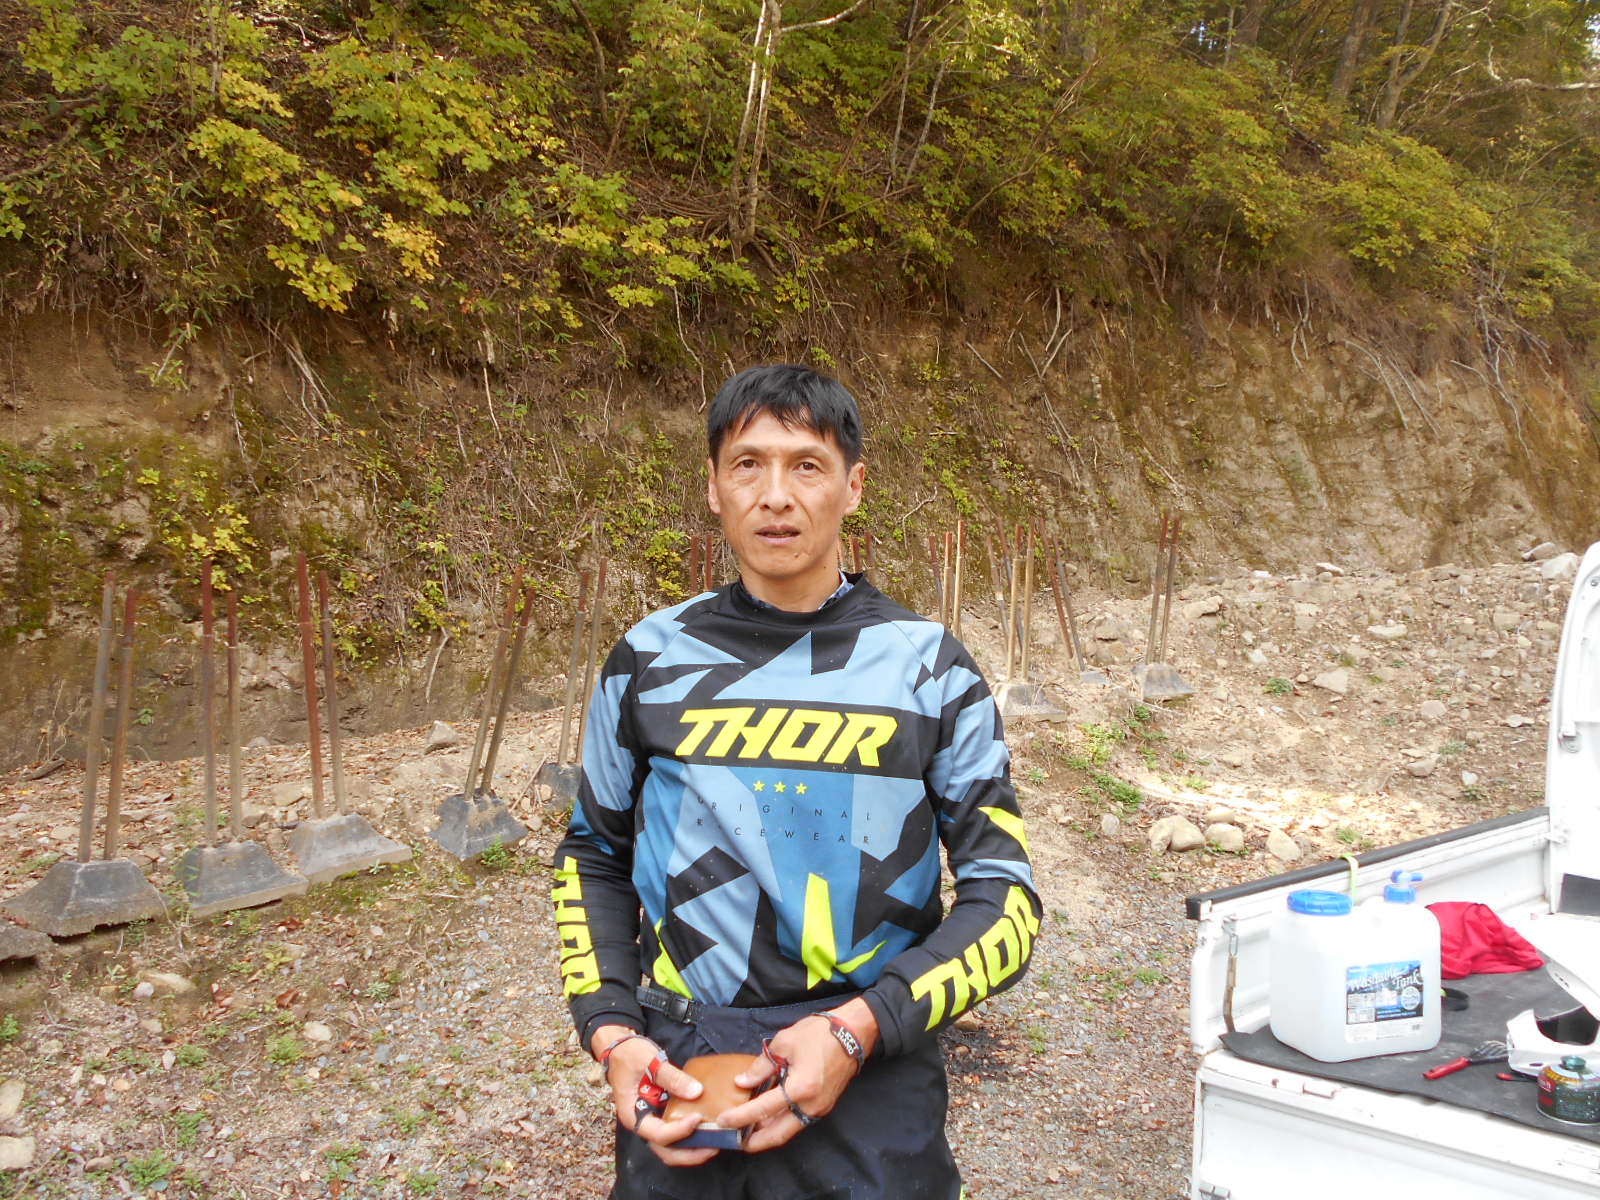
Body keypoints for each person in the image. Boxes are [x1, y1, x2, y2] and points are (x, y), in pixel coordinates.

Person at [551, 364, 1040, 1200]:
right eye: (748, 465)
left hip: (869, 1069)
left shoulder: (929, 668)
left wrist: (860, 1029)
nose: (775, 495)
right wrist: (612, 1033)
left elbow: (1007, 900)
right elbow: (593, 855)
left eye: (807, 465)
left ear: (854, 486)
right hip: (683, 1066)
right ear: (714, 487)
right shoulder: (648, 658)